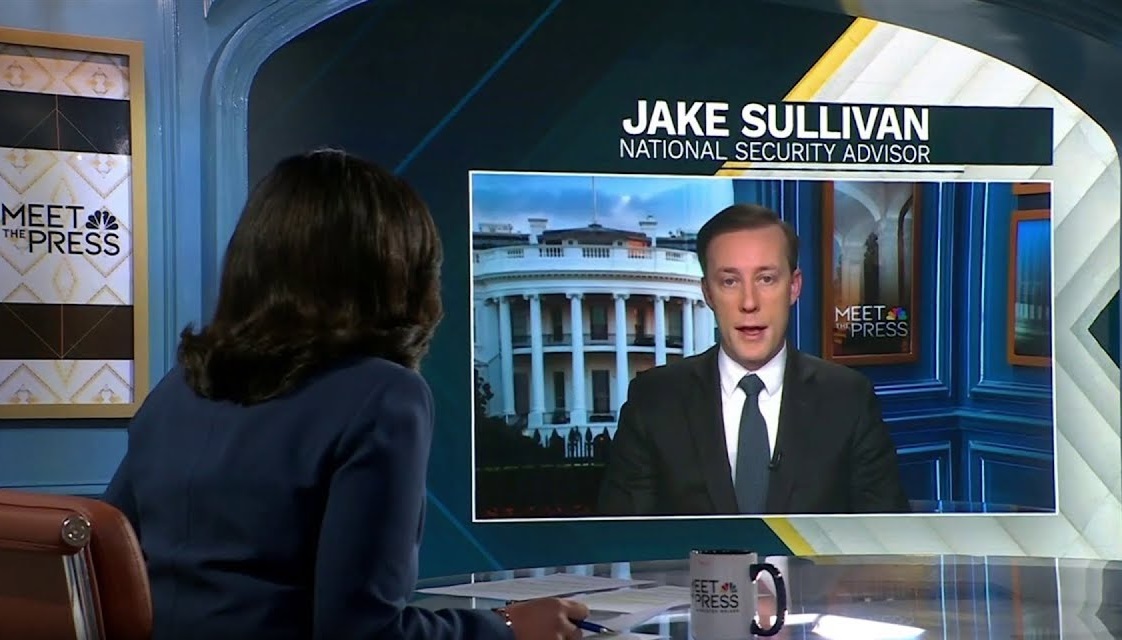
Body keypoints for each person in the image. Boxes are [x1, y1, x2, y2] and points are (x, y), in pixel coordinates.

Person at [102, 149, 589, 640]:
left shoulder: (176, 390)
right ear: (398, 274)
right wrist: (506, 626)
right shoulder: (383, 397)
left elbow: (105, 562)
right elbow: (364, 632)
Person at [597, 203, 910, 516]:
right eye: (729, 281)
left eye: (766, 279)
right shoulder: (654, 400)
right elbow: (621, 537)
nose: (749, 302)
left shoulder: (848, 398)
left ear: (794, 287)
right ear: (708, 293)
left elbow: (885, 535)